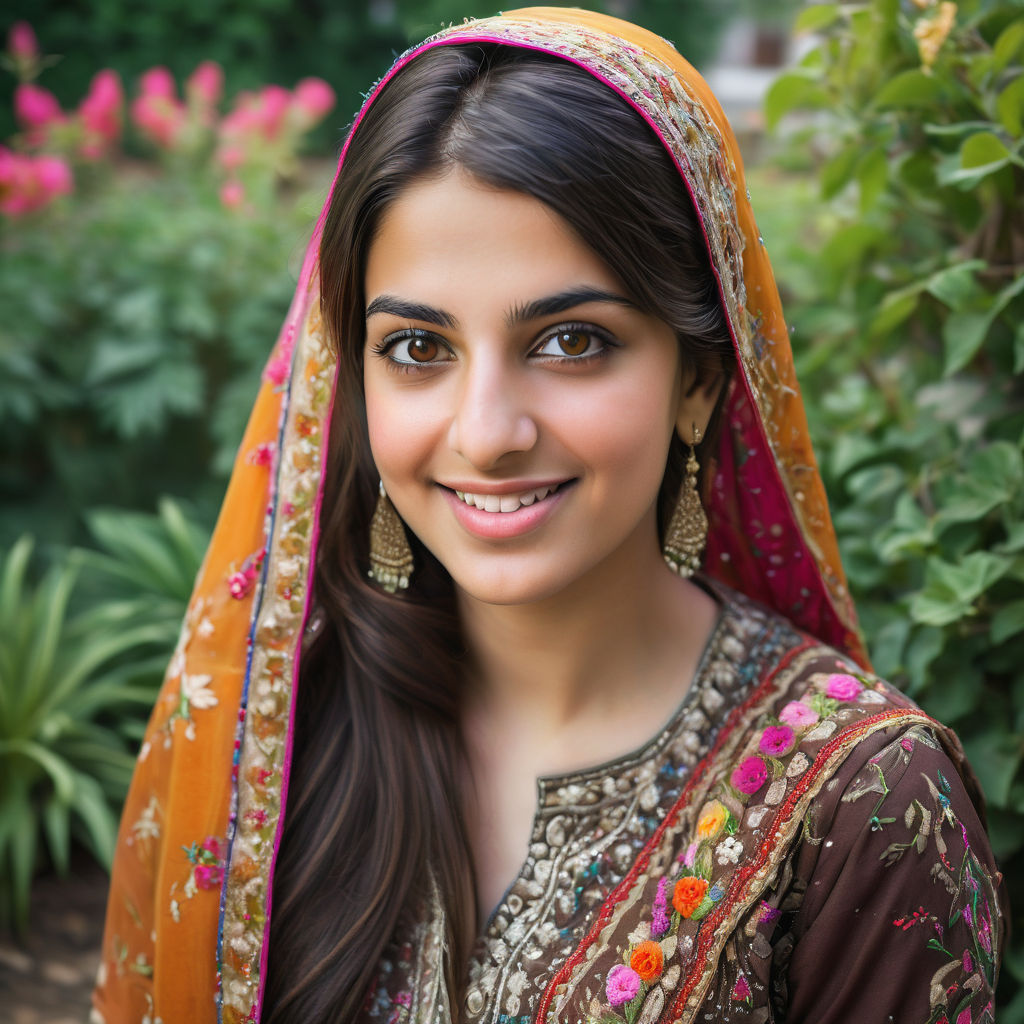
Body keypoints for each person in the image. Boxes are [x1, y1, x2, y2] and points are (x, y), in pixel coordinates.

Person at [91, 8, 1006, 1024]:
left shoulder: (862, 805)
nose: (486, 434)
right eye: (417, 349)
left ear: (698, 381)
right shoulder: (284, 732)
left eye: (570, 341)